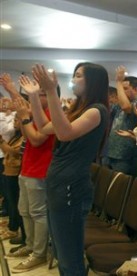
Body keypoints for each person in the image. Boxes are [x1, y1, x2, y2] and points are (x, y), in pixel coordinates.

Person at [19, 63, 109, 275]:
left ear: (92, 82)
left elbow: (64, 134)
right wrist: (33, 96)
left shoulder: (97, 111)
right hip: (59, 185)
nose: (73, 79)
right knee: (61, 253)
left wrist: (50, 91)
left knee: (70, 256)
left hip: (72, 188)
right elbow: (44, 127)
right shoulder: (78, 109)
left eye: (78, 76)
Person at [1, 73, 55, 273]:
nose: (34, 97)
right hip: (27, 167)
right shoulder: (38, 112)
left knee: (38, 213)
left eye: (39, 94)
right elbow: (26, 134)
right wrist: (13, 91)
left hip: (41, 169)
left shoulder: (51, 114)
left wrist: (24, 117)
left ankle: (39, 254)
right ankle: (31, 246)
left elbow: (37, 140)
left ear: (49, 96)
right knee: (25, 210)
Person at [107, 66, 137, 176]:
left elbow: (126, 107)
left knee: (118, 188)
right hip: (111, 151)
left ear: (136, 89)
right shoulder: (120, 103)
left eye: (125, 88)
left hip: (125, 154)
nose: (121, 91)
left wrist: (118, 81)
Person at [0, 114, 24, 241]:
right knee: (10, 201)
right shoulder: (16, 136)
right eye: (14, 120)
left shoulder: (24, 137)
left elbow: (14, 152)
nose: (14, 122)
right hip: (8, 169)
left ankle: (14, 229)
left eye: (17, 120)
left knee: (15, 203)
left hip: (15, 172)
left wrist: (1, 141)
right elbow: (7, 151)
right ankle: (11, 227)